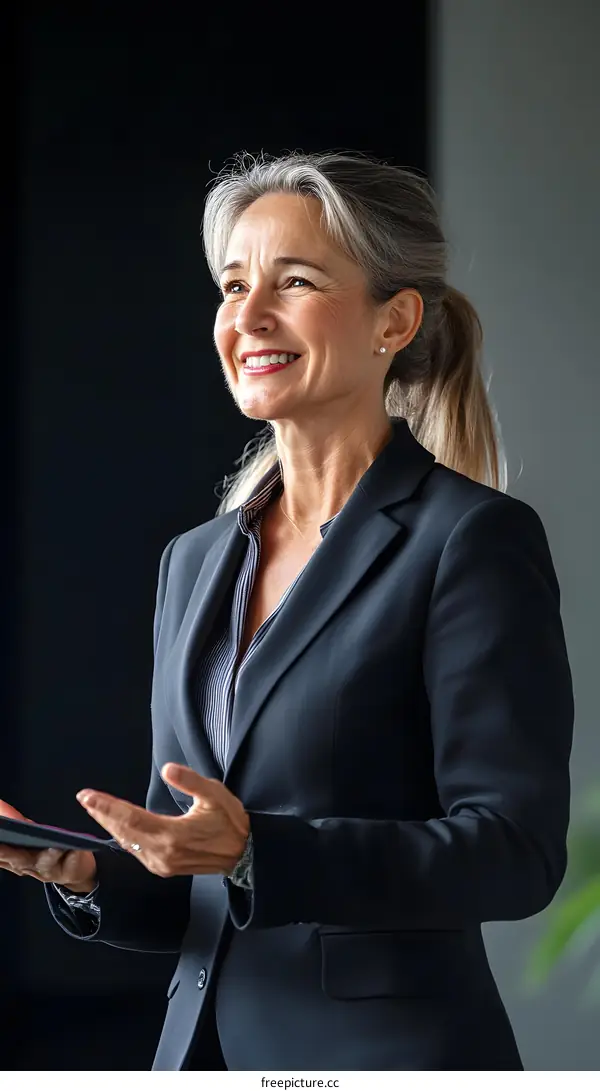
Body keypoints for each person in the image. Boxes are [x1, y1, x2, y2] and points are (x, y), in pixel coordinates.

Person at [0, 150, 574, 1072]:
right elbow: (190, 879)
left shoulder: (472, 539)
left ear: (395, 319)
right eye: (233, 284)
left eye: (294, 280)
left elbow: (513, 853)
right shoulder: (192, 562)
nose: (249, 315)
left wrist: (261, 850)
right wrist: (85, 872)